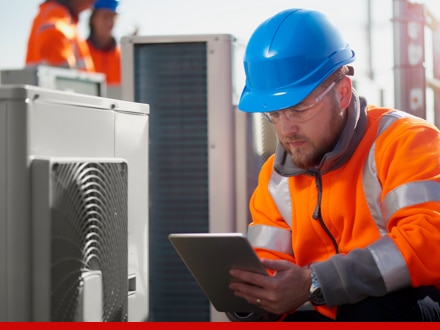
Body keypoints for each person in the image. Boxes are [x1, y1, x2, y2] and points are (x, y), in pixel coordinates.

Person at [228, 8, 440, 322]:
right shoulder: (275, 178)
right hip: (335, 309)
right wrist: (255, 298)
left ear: (341, 93)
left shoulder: (406, 141)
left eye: (298, 108)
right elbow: (269, 264)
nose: (286, 129)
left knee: (371, 310)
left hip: (416, 304)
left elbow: (428, 243)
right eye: (274, 113)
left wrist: (315, 282)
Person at [25, 0, 96, 72]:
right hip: (52, 82)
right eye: (91, 1)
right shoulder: (56, 12)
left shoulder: (66, 16)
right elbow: (52, 38)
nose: (91, 7)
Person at [86, 0, 121, 86]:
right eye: (105, 16)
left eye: (112, 17)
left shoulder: (124, 56)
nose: (109, 23)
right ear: (93, 19)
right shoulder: (79, 51)